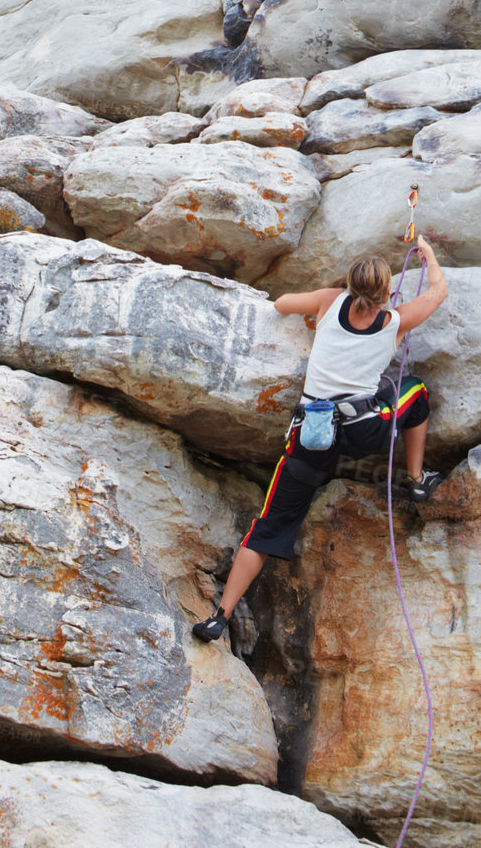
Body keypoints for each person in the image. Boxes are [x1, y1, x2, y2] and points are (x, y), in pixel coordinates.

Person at [191, 239, 450, 642]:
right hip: (365, 432)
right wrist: (426, 252)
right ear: (385, 293)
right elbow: (438, 292)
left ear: (350, 285)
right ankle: (416, 479)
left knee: (269, 525)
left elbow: (281, 304)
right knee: (414, 390)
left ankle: (219, 617)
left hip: (311, 437)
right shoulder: (394, 321)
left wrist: (319, 311)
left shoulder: (330, 302)